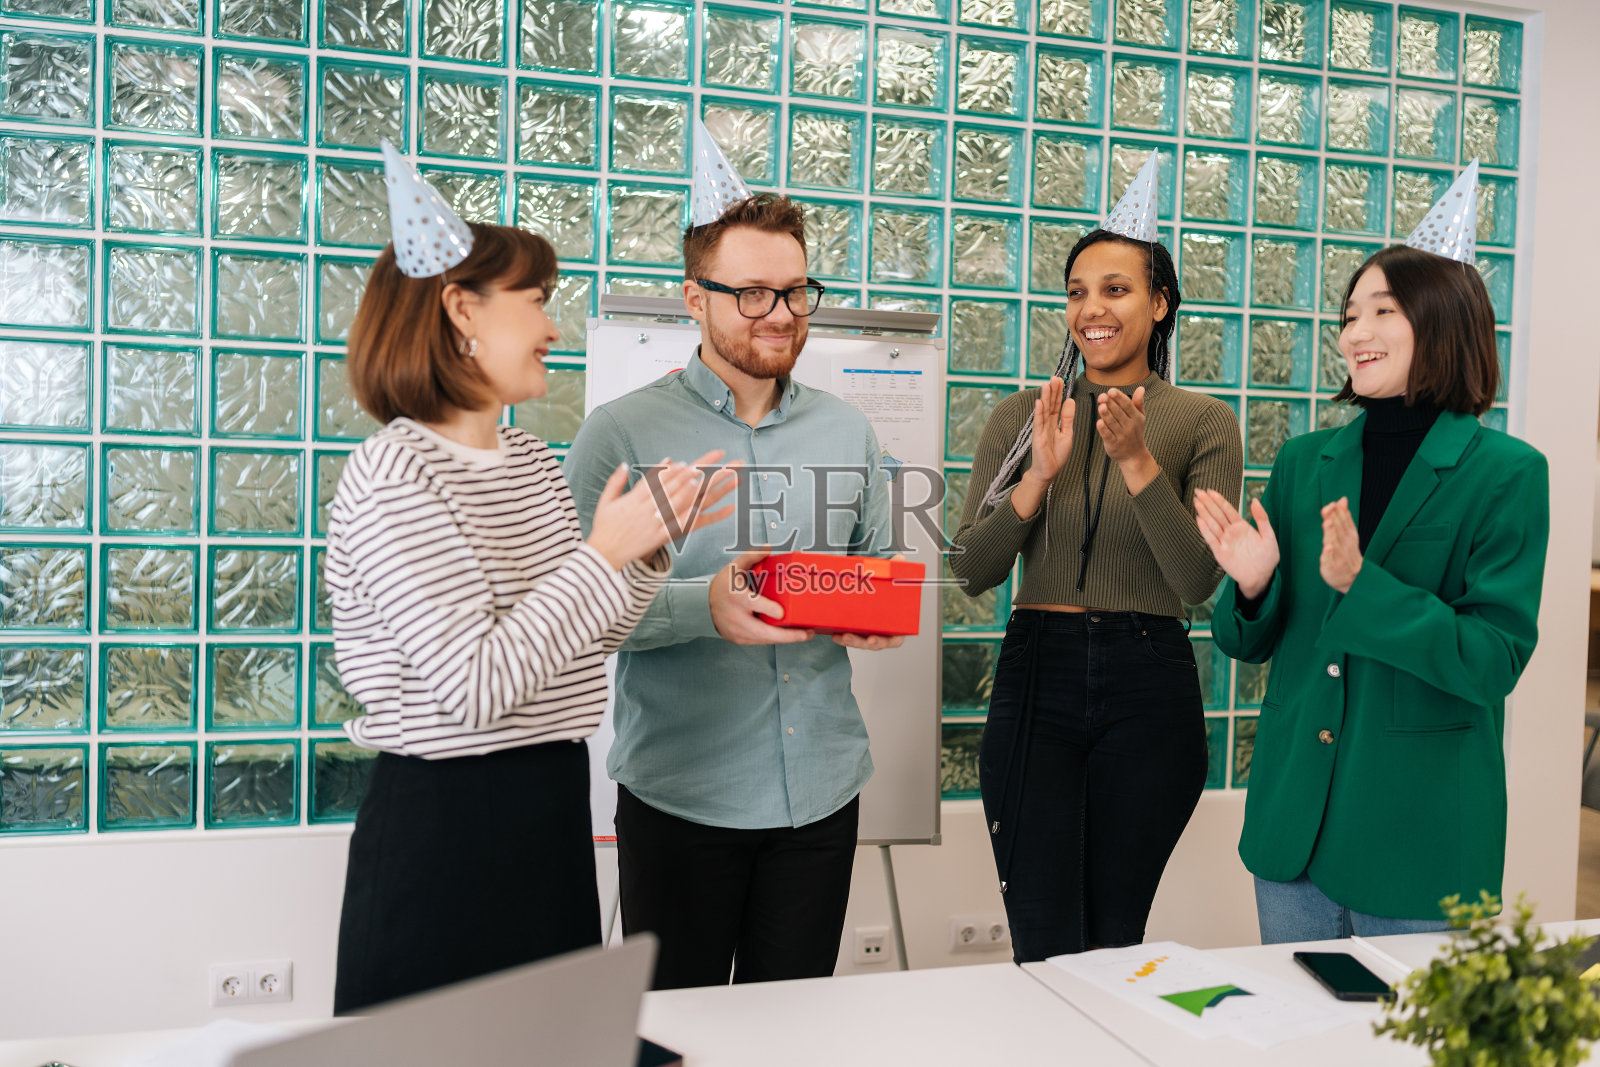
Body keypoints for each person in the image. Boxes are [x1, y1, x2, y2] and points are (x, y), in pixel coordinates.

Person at [327, 147, 737, 1012]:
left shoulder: (528, 461)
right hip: (444, 826)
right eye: (537, 300)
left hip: (547, 806)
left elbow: (590, 634)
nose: (554, 327)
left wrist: (646, 548)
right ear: (460, 309)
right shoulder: (395, 472)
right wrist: (603, 555)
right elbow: (476, 684)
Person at [562, 190, 903, 990]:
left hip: (822, 795)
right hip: (682, 800)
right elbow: (569, 614)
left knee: (790, 1033)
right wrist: (701, 606)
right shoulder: (621, 433)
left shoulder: (847, 430)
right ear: (695, 298)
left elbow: (875, 566)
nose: (780, 314)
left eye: (795, 291)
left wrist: (870, 613)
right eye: (752, 293)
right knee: (675, 1032)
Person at [1196, 237, 1549, 944]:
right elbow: (1247, 642)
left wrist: (1364, 587)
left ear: (1443, 323)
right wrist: (1254, 586)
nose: (1355, 332)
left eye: (1382, 311)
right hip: (1295, 825)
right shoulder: (1304, 462)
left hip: (1419, 837)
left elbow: (1491, 660)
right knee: (1293, 1017)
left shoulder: (1507, 473)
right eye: (1350, 315)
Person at [950, 158, 1244, 962]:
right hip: (1037, 671)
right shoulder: (1025, 416)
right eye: (1078, 291)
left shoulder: (1203, 423)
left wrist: (1138, 462)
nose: (1092, 309)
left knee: (1114, 939)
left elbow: (1197, 581)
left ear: (1160, 303)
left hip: (1148, 680)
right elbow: (970, 570)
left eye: (1116, 289)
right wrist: (1036, 477)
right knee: (1041, 939)